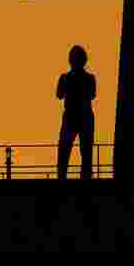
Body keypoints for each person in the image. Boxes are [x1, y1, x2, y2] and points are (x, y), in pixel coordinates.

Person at [56, 45, 97, 180]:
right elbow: (92, 94)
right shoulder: (90, 78)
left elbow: (59, 94)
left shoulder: (65, 77)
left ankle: (62, 178)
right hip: (84, 116)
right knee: (86, 153)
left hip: (71, 117)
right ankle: (84, 179)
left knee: (64, 152)